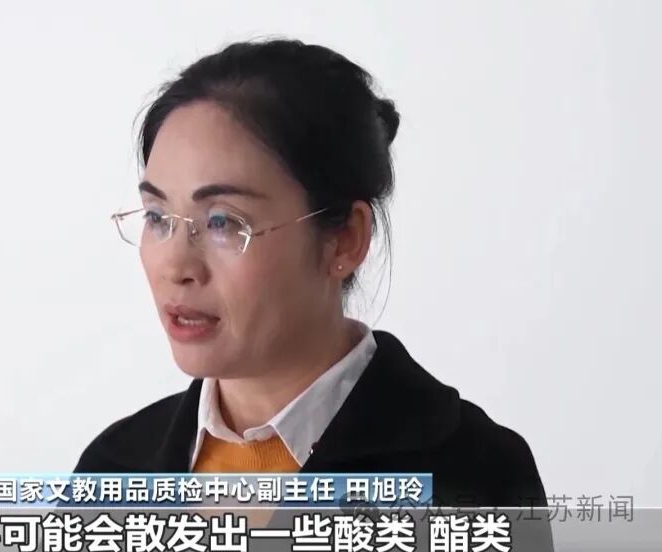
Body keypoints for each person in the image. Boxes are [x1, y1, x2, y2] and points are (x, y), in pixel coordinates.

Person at [74, 38, 547, 507]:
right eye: (158, 217)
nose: (176, 266)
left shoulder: (471, 476)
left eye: (223, 222)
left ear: (344, 239)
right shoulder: (113, 469)